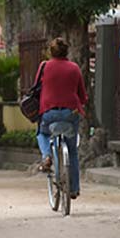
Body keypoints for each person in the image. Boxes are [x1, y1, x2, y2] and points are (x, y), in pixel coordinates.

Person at [34, 37, 88, 199]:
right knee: (72, 151)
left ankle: (46, 156)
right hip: (70, 113)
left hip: (49, 112)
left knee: (42, 134)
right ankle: (74, 189)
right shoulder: (74, 68)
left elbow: (36, 88)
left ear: (51, 52)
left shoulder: (44, 66)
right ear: (67, 51)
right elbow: (82, 95)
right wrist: (81, 103)